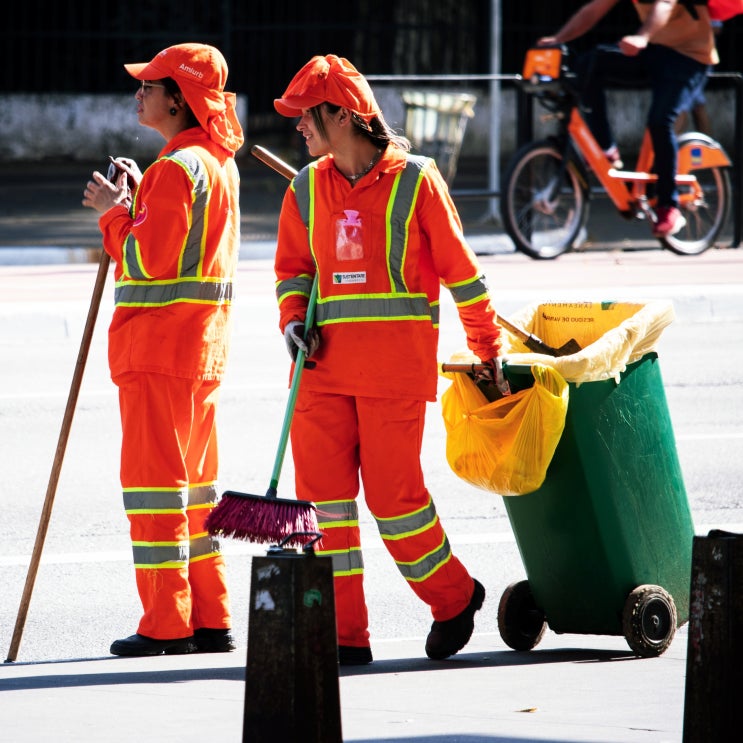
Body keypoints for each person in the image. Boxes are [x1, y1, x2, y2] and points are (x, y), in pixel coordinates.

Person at [272, 54, 509, 665]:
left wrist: (487, 351)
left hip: (391, 376)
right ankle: (343, 636)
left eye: (307, 115)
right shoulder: (305, 187)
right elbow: (294, 272)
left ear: (343, 116)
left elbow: (465, 275)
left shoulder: (417, 180)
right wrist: (294, 321)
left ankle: (454, 597)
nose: (298, 125)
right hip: (319, 373)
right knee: (321, 510)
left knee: (395, 501)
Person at [82, 43, 244, 657]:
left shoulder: (179, 169)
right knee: (196, 490)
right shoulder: (211, 163)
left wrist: (112, 213)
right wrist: (137, 196)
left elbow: (148, 259)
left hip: (158, 352)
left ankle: (165, 623)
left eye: (150, 85)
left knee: (153, 490)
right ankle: (209, 615)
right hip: (198, 352)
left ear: (179, 99)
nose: (139, 93)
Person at [538, 0, 719, 238]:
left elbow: (664, 5)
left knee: (660, 121)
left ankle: (668, 205)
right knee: (588, 65)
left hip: (689, 57)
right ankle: (605, 147)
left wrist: (642, 36)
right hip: (654, 50)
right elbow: (593, 9)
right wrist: (559, 38)